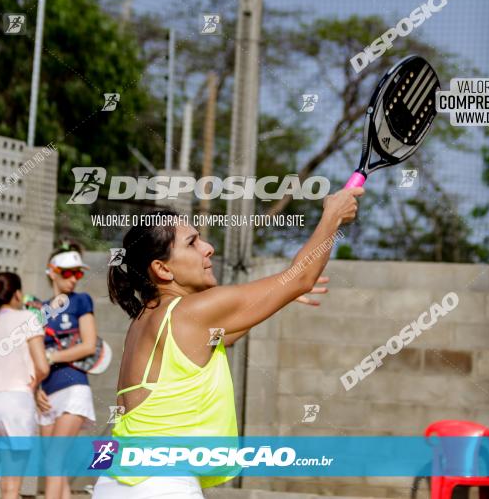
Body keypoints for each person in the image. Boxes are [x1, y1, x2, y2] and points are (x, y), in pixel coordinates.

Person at [93, 187, 363, 498]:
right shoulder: (190, 312)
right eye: (192, 243)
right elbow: (301, 278)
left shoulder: (147, 319)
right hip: (161, 486)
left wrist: (278, 298)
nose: (207, 248)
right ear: (163, 269)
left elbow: (228, 333)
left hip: (115, 484)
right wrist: (332, 216)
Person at [0, 272, 50, 499]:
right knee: (11, 488)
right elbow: (42, 366)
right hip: (14, 404)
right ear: (17, 294)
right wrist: (34, 384)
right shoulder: (27, 318)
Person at [35, 240, 98, 499]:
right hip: (46, 394)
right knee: (54, 469)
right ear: (52, 271)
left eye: (78, 273)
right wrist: (35, 387)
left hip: (73, 388)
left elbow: (89, 345)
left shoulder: (82, 301)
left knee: (53, 462)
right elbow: (34, 354)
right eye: (68, 273)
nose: (74, 279)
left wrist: (52, 356)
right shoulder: (40, 310)